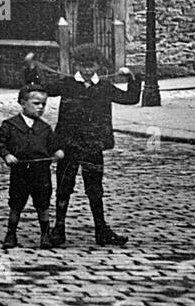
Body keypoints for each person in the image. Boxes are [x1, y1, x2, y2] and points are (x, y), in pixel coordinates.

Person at [43, 43, 141, 247]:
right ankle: (58, 229)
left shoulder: (105, 86)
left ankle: (101, 229)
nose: (87, 70)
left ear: (98, 65)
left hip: (93, 146)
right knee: (63, 187)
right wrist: (31, 70)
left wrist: (132, 78)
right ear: (76, 65)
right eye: (83, 65)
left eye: (91, 65)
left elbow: (130, 98)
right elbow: (41, 89)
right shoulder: (67, 84)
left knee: (95, 188)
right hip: (68, 146)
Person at [0, 86, 65, 249]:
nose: (40, 107)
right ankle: (11, 234)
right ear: (23, 103)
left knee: (43, 204)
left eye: (43, 104)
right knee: (16, 203)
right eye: (36, 103)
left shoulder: (44, 128)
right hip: (20, 171)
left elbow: (54, 143)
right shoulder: (11, 125)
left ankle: (45, 235)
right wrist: (6, 154)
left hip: (41, 172)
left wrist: (58, 151)